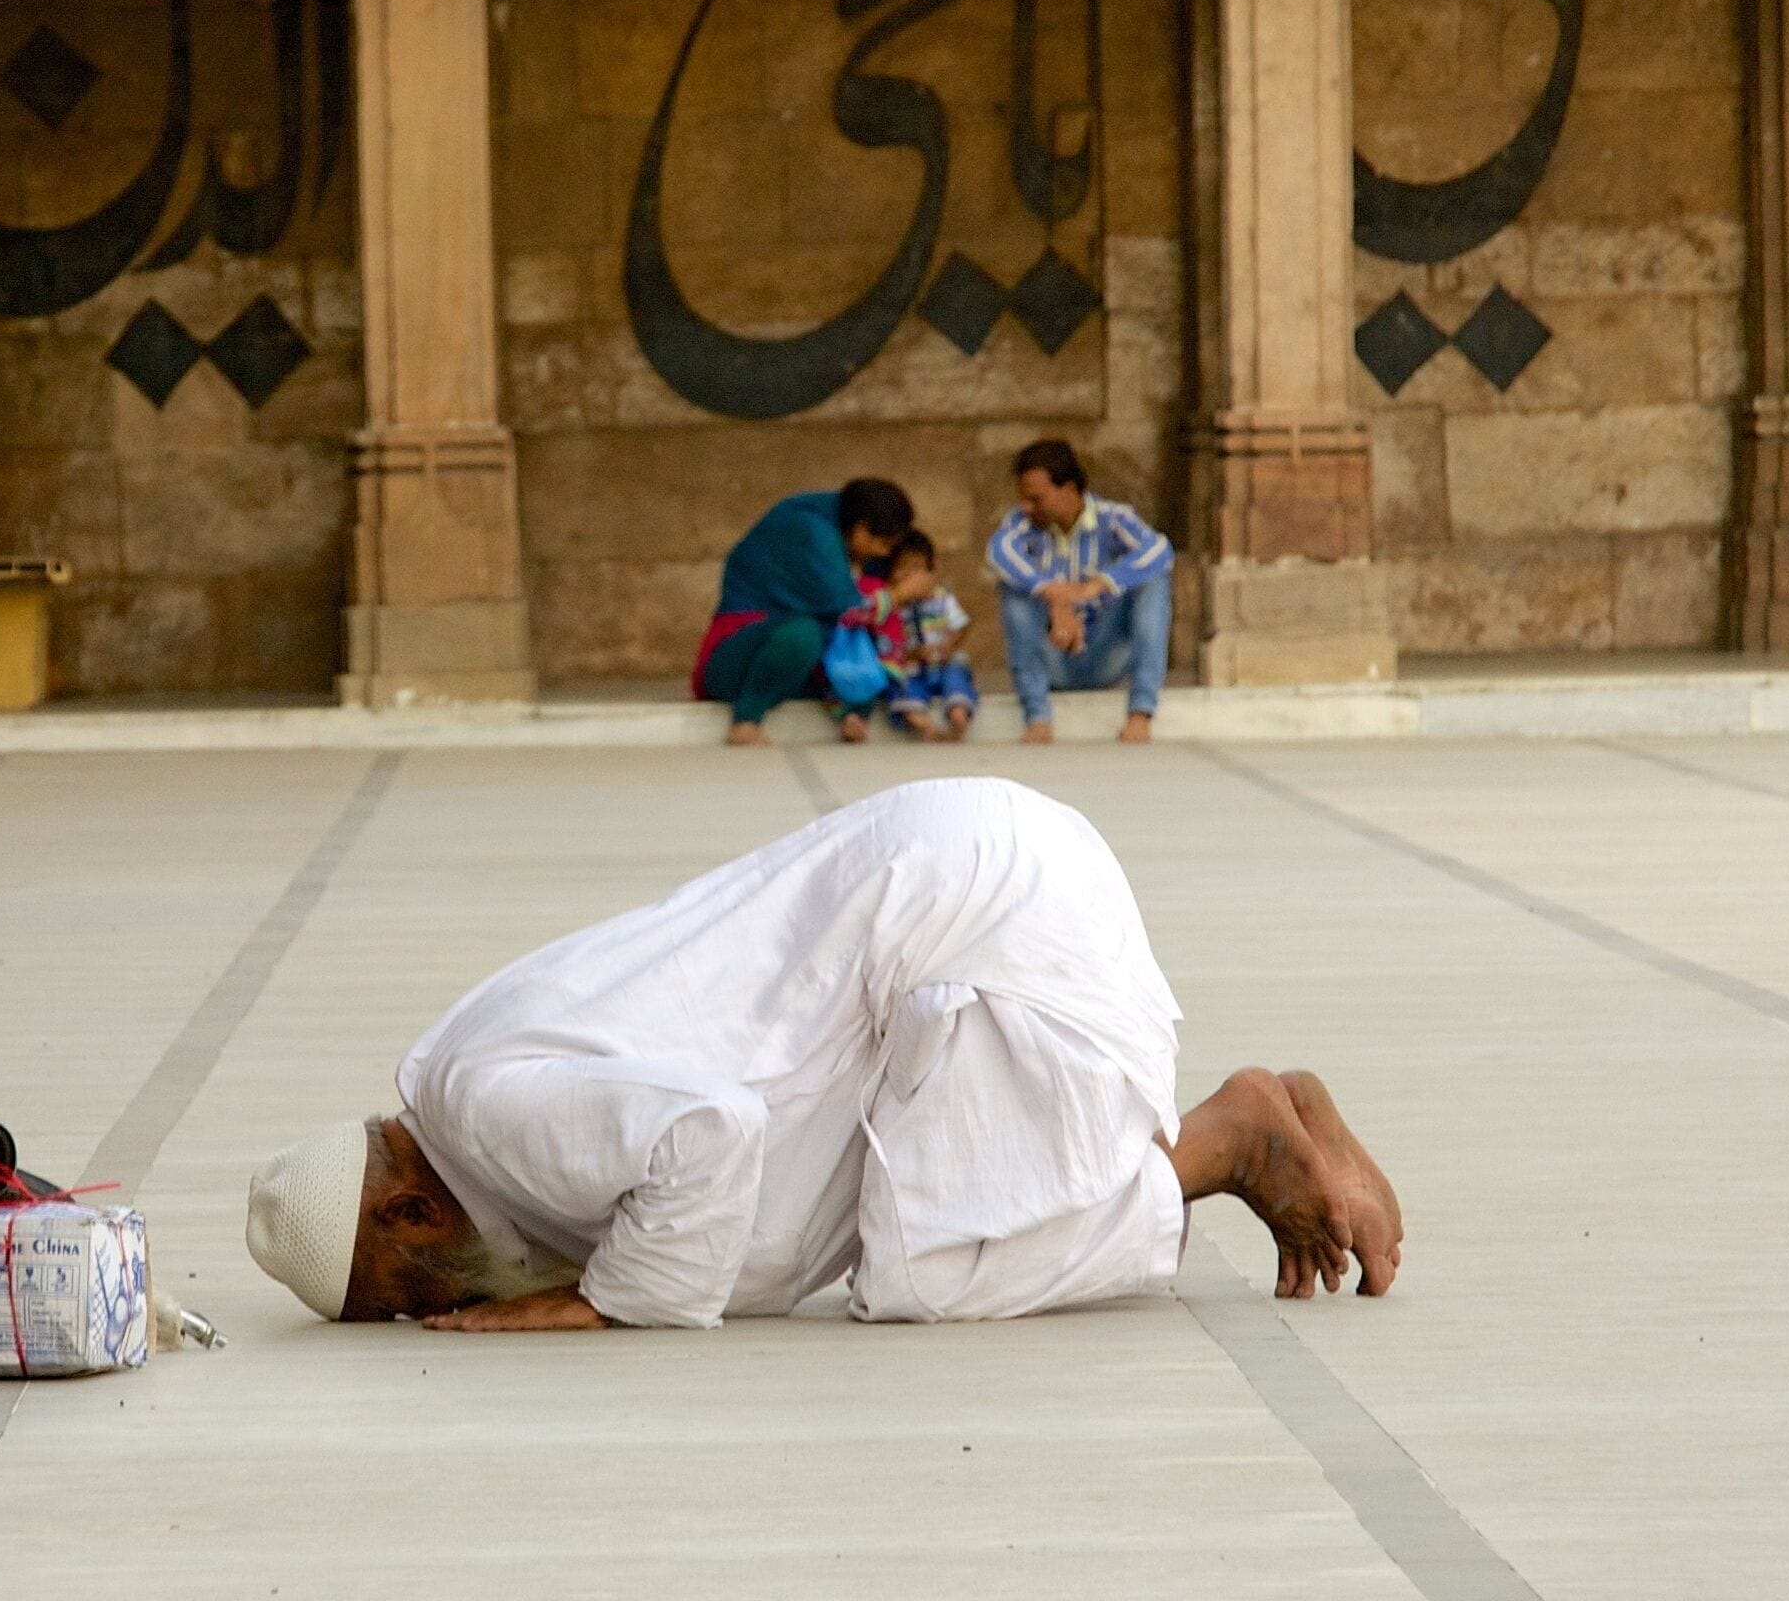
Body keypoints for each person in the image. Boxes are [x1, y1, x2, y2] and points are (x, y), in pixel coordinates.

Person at [242, 776, 1400, 1331]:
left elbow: (711, 1132)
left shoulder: (486, 1112)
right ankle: (1225, 1125)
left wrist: (602, 1307)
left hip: (980, 913)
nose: (417, 1319)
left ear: (406, 1218)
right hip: (978, 869)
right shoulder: (462, 1083)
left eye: (392, 1299)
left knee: (926, 1273)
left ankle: (1228, 1140)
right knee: (962, 1204)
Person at [693, 479, 911, 748]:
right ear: (862, 530)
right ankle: (745, 721)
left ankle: (852, 717)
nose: (884, 553)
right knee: (804, 634)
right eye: (884, 543)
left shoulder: (841, 529)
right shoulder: (811, 530)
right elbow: (848, 611)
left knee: (867, 654)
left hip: (797, 670)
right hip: (734, 664)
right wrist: (898, 596)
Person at [984, 437, 1173, 745]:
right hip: (1051, 656)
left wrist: (1092, 588)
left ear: (1069, 490)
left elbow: (1159, 550)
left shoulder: (1113, 518)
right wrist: (1054, 595)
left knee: (1153, 581)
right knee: (1014, 592)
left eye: (1037, 498)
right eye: (1024, 498)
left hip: (1107, 652)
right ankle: (1037, 716)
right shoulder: (1022, 524)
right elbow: (999, 552)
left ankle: (1140, 712)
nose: (1026, 506)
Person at [873, 533, 976, 741]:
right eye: (902, 568)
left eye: (916, 569)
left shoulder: (941, 597)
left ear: (931, 572)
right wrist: (912, 653)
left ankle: (958, 717)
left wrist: (950, 645)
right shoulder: (892, 604)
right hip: (911, 667)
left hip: (944, 663)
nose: (909, 575)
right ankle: (924, 725)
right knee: (903, 687)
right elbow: (888, 642)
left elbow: (961, 625)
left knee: (957, 679)